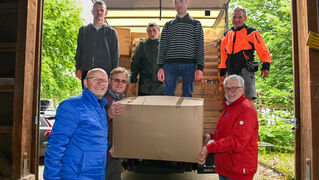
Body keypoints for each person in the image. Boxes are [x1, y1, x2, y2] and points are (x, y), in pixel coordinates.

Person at [43, 68, 122, 179]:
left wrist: (111, 148)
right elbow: (56, 146)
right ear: (85, 83)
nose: (100, 83)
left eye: (103, 80)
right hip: (76, 174)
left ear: (108, 84)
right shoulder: (72, 106)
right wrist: (52, 178)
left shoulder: (101, 108)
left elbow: (92, 140)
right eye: (95, 79)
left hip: (96, 174)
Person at [198, 75, 259, 180]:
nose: (230, 91)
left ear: (243, 89)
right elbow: (227, 133)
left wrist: (210, 148)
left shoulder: (246, 110)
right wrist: (211, 136)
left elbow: (237, 142)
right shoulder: (230, 107)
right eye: (227, 88)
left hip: (238, 171)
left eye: (234, 88)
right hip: (226, 168)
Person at [219, 7, 271, 104]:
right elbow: (223, 56)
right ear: (231, 18)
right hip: (231, 72)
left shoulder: (251, 32)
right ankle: (236, 119)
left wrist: (266, 66)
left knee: (248, 99)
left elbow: (263, 50)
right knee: (232, 100)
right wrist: (222, 73)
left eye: (240, 17)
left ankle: (250, 119)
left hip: (246, 70)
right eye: (234, 17)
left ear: (245, 18)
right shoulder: (226, 35)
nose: (237, 20)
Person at [157, 0, 204, 97]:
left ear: (187, 2)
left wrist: (200, 67)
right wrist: (160, 67)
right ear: (173, 4)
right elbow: (162, 48)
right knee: (168, 95)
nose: (178, 4)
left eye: (181, 1)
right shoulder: (168, 25)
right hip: (170, 65)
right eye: (176, 2)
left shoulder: (196, 24)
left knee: (188, 95)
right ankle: (169, 113)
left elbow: (200, 46)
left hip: (190, 65)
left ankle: (185, 113)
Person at [75, 0, 119, 88]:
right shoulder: (83, 30)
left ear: (105, 13)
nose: (99, 12)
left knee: (102, 99)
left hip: (105, 73)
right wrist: (78, 68)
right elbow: (79, 51)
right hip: (87, 72)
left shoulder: (111, 32)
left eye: (102, 10)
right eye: (97, 10)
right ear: (92, 12)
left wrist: (113, 75)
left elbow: (115, 55)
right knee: (88, 98)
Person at [104, 67, 129, 180]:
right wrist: (108, 115)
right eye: (116, 80)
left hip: (116, 154)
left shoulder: (126, 102)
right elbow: (91, 126)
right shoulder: (101, 99)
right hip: (102, 154)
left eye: (123, 81)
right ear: (110, 81)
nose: (120, 83)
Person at [130, 23, 164, 96]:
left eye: (154, 30)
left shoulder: (164, 44)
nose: (152, 33)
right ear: (147, 32)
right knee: (144, 106)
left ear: (158, 30)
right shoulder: (142, 45)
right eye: (149, 31)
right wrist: (133, 81)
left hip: (161, 85)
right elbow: (135, 63)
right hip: (145, 85)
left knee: (159, 106)